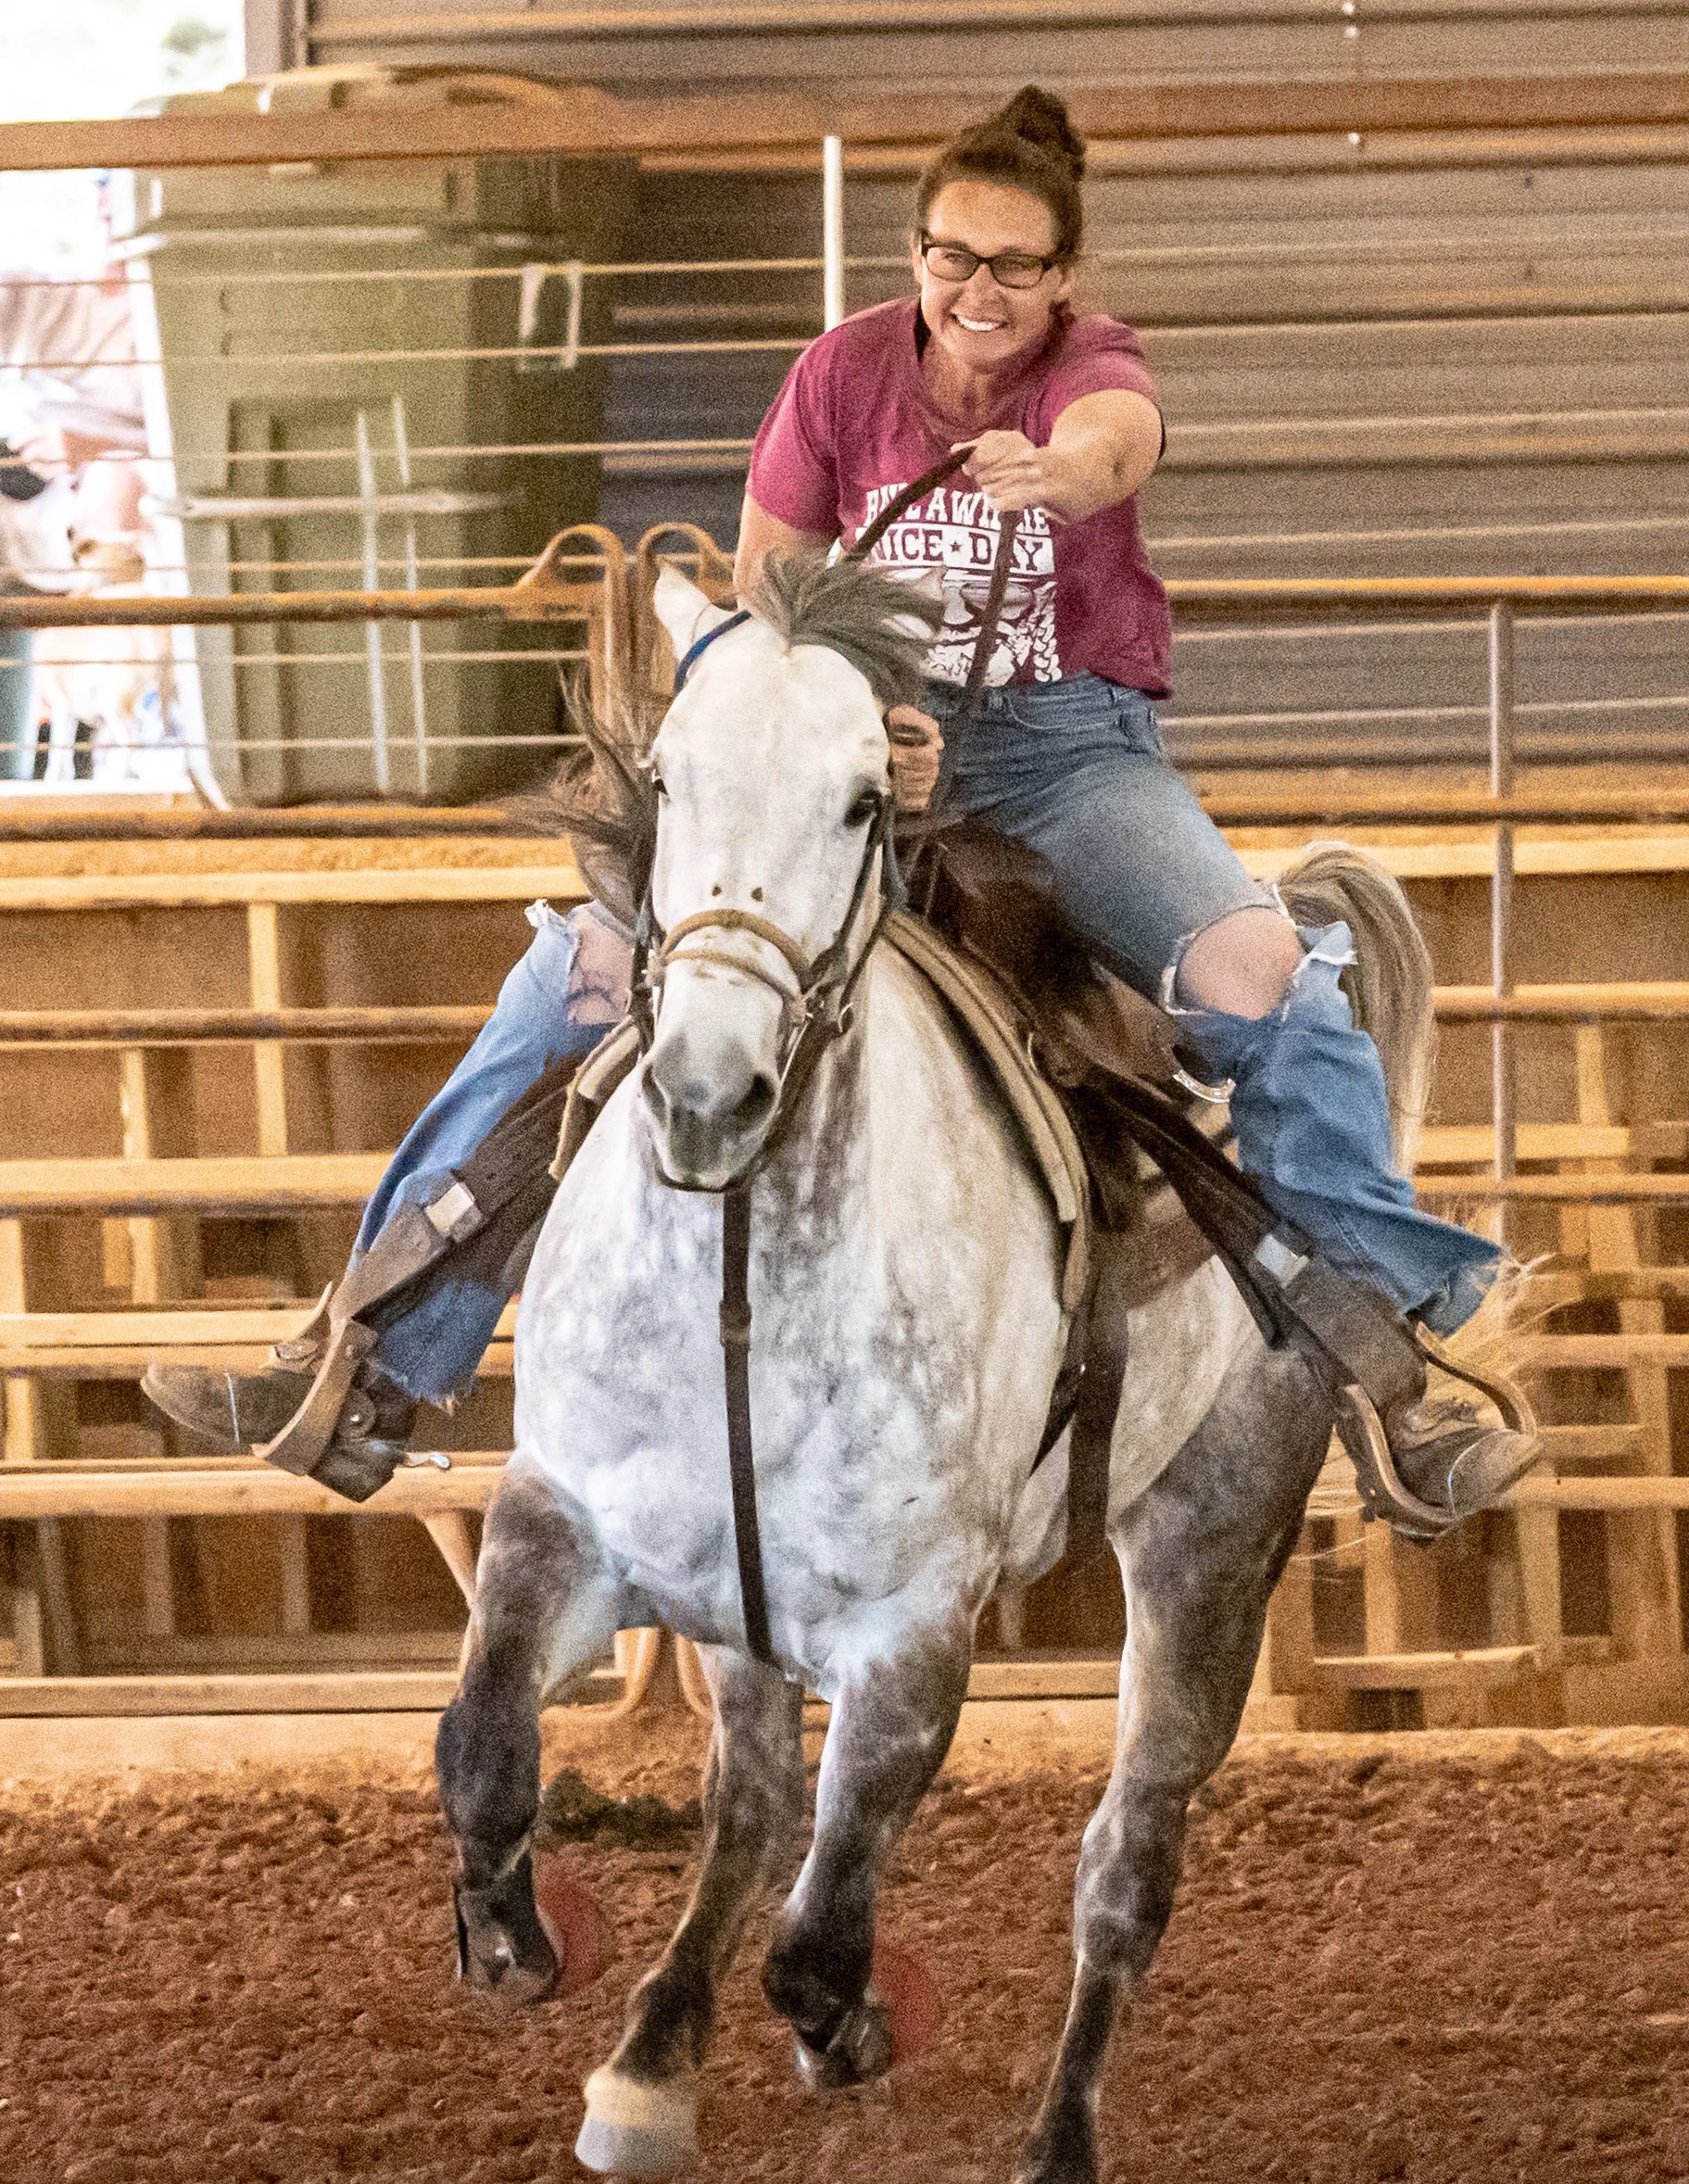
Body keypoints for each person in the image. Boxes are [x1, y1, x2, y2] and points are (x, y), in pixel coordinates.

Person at [145, 86, 1536, 1529]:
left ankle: (1398, 1370)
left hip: (1068, 764)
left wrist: (1056, 475)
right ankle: (366, 1356)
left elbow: (1118, 441)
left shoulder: (1090, 372)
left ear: (1061, 280)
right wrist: (863, 734)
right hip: (852, 768)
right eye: (949, 255)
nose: (976, 289)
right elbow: (768, 598)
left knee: (1266, 978)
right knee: (577, 975)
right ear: (914, 253)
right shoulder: (839, 377)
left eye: (1011, 266)